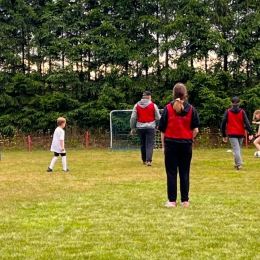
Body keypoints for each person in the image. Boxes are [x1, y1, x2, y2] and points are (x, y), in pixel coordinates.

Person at [158, 83, 199, 207]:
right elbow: (195, 130)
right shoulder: (192, 109)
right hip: (186, 144)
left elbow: (163, 130)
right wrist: (189, 139)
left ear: (174, 94)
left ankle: (172, 200)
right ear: (185, 94)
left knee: (171, 173)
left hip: (171, 144)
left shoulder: (168, 109)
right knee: (185, 172)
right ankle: (185, 200)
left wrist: (164, 146)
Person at [221, 96, 253, 171]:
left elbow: (223, 124)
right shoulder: (242, 111)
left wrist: (224, 135)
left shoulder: (228, 112)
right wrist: (251, 132)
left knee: (236, 149)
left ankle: (239, 164)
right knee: (238, 148)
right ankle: (237, 164)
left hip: (232, 133)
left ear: (231, 103)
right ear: (239, 103)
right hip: (240, 133)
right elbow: (247, 122)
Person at [130, 91, 161, 166]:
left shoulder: (137, 105)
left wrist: (133, 128)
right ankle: (149, 160)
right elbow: (158, 117)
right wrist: (157, 125)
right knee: (149, 144)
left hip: (140, 127)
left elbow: (133, 118)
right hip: (150, 127)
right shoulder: (153, 105)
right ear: (150, 97)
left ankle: (144, 160)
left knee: (142, 144)